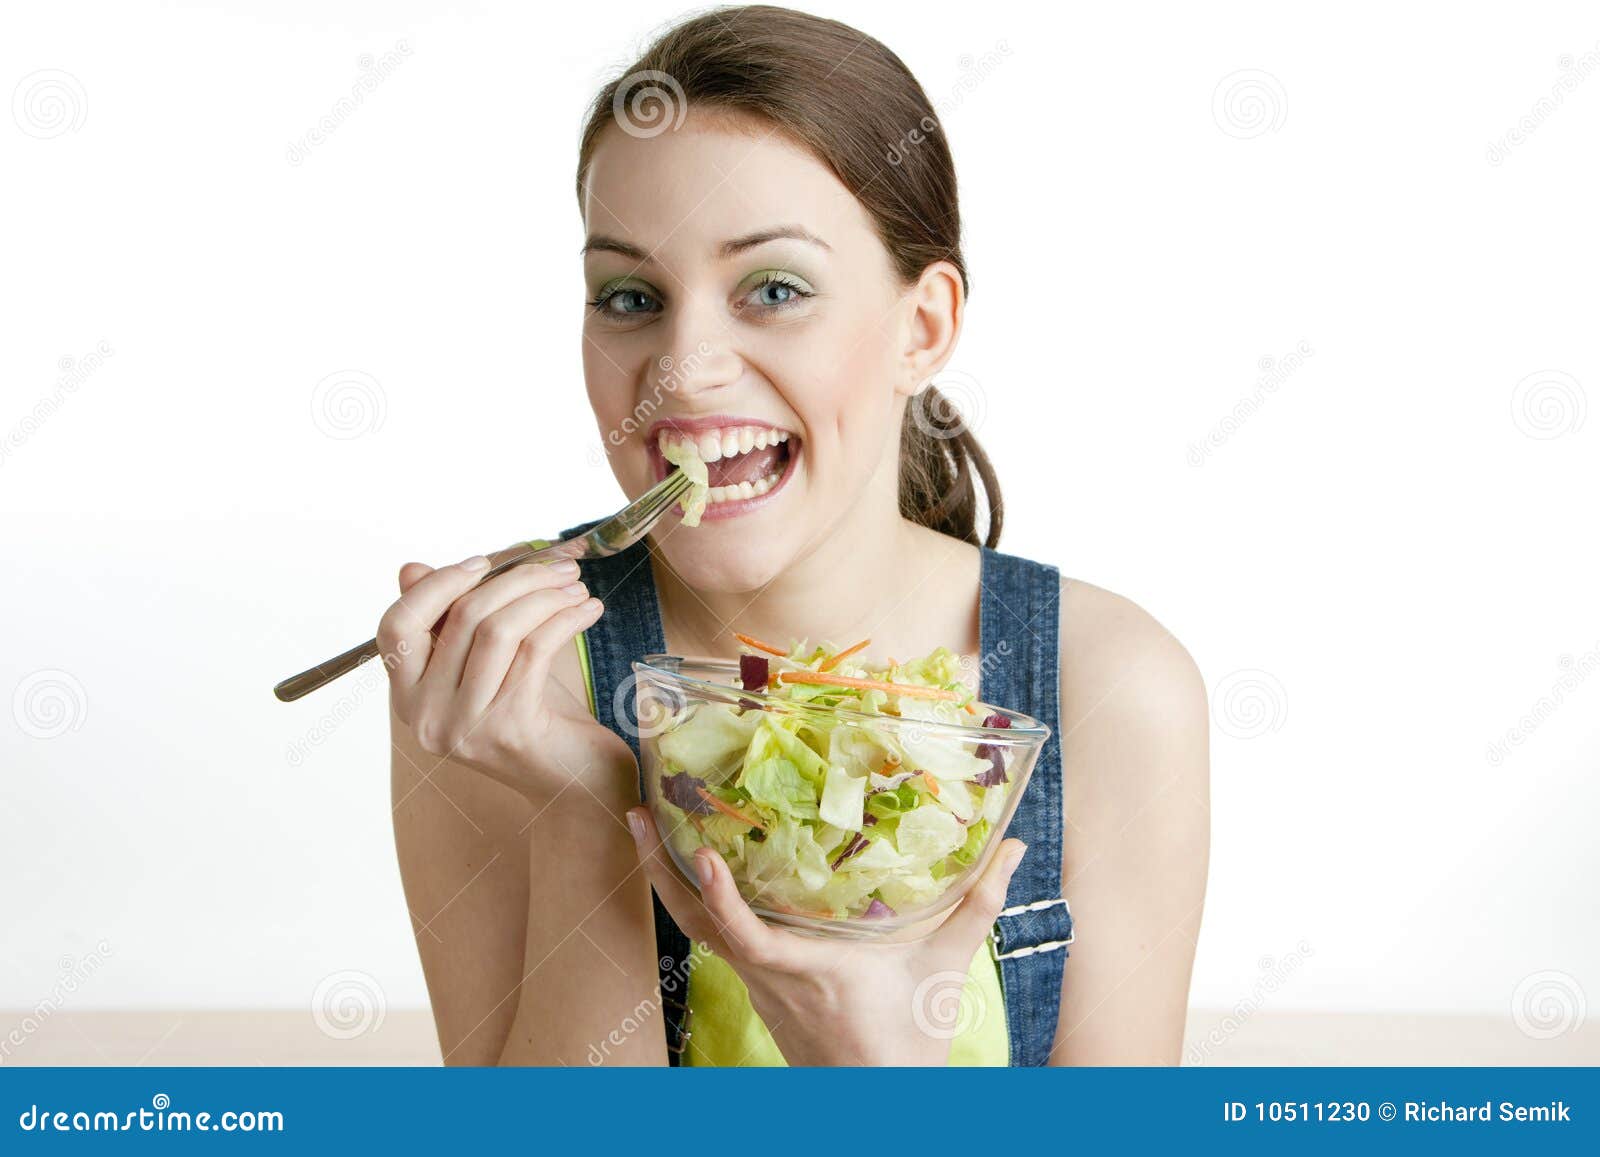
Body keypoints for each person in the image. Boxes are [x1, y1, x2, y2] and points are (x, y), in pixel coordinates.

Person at [381, 5, 1208, 1066]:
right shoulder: (499, 687)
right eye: (630, 295)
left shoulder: (1110, 687)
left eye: (773, 288)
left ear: (925, 327)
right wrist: (590, 814)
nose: (682, 365)